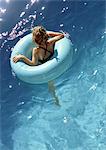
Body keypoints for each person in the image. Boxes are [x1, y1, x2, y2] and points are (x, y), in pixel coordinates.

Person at [13, 26, 64, 105]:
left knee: (51, 87)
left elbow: (33, 64)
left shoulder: (36, 50)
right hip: (53, 63)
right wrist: (48, 34)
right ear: (45, 36)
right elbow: (61, 35)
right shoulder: (51, 42)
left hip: (44, 68)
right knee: (52, 83)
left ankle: (56, 100)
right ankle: (57, 99)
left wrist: (22, 57)